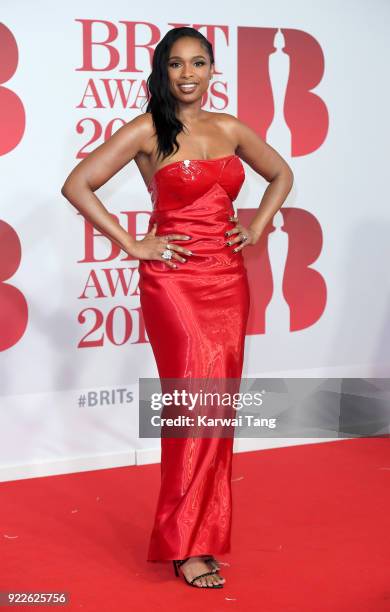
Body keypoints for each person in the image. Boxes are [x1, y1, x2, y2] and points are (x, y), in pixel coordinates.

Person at [61, 26, 293, 589]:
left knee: (216, 412)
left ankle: (203, 536)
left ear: (213, 70)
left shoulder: (231, 128)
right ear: (162, 72)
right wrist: (134, 242)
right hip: (176, 284)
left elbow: (281, 173)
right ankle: (184, 542)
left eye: (199, 63)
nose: (188, 74)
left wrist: (257, 225)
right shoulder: (148, 129)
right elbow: (78, 184)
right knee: (192, 408)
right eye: (176, 64)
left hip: (228, 280)